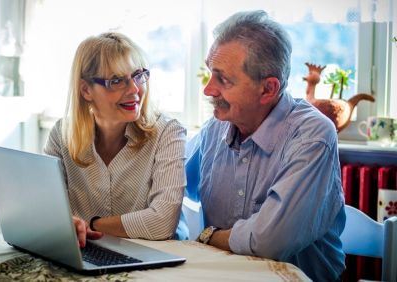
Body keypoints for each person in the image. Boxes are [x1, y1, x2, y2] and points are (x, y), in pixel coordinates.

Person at [186, 10, 345, 281]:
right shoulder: (215, 129)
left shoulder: (312, 135)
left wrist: (208, 236)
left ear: (268, 89)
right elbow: (169, 188)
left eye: (223, 79)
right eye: (210, 74)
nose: (208, 90)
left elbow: (269, 242)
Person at [44, 32, 186, 247]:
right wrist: (60, 222)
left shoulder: (167, 132)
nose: (134, 90)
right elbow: (47, 210)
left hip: (157, 254)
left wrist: (91, 225)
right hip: (89, 251)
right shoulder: (61, 135)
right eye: (117, 81)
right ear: (86, 90)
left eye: (138, 75)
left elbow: (162, 223)